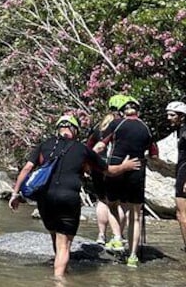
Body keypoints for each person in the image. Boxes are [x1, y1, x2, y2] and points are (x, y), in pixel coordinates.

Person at [9, 115, 140, 279]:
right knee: (64, 244)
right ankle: (58, 280)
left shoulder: (45, 145)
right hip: (68, 198)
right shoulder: (82, 149)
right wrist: (125, 166)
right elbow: (109, 171)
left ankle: (60, 266)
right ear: (74, 129)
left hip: (45, 199)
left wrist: (15, 194)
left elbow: (27, 169)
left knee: (55, 235)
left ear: (58, 129)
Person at [94, 96, 158, 268]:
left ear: (122, 112)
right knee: (136, 216)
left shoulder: (117, 124)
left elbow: (100, 146)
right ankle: (133, 257)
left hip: (116, 167)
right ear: (138, 112)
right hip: (138, 170)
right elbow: (154, 154)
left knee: (112, 204)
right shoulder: (146, 128)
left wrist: (88, 158)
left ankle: (117, 238)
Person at [85, 95, 126, 245]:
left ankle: (101, 235)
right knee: (118, 203)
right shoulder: (123, 125)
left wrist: (87, 165)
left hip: (98, 167)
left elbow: (88, 147)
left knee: (102, 201)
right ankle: (119, 236)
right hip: (118, 167)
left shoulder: (99, 126)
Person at [165, 100, 186, 252]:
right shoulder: (181, 130)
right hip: (181, 171)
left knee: (182, 214)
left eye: (172, 115)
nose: (168, 118)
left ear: (182, 116)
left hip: (184, 173)